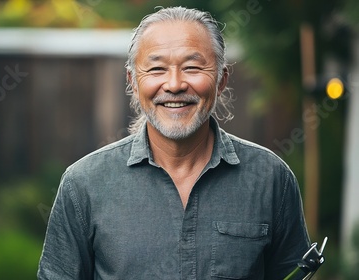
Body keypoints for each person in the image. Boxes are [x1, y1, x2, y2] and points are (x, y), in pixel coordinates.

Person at [38, 6, 310, 280]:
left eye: (192, 67)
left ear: (221, 80)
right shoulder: (84, 184)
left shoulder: (271, 179)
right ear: (133, 81)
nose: (175, 84)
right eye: (157, 69)